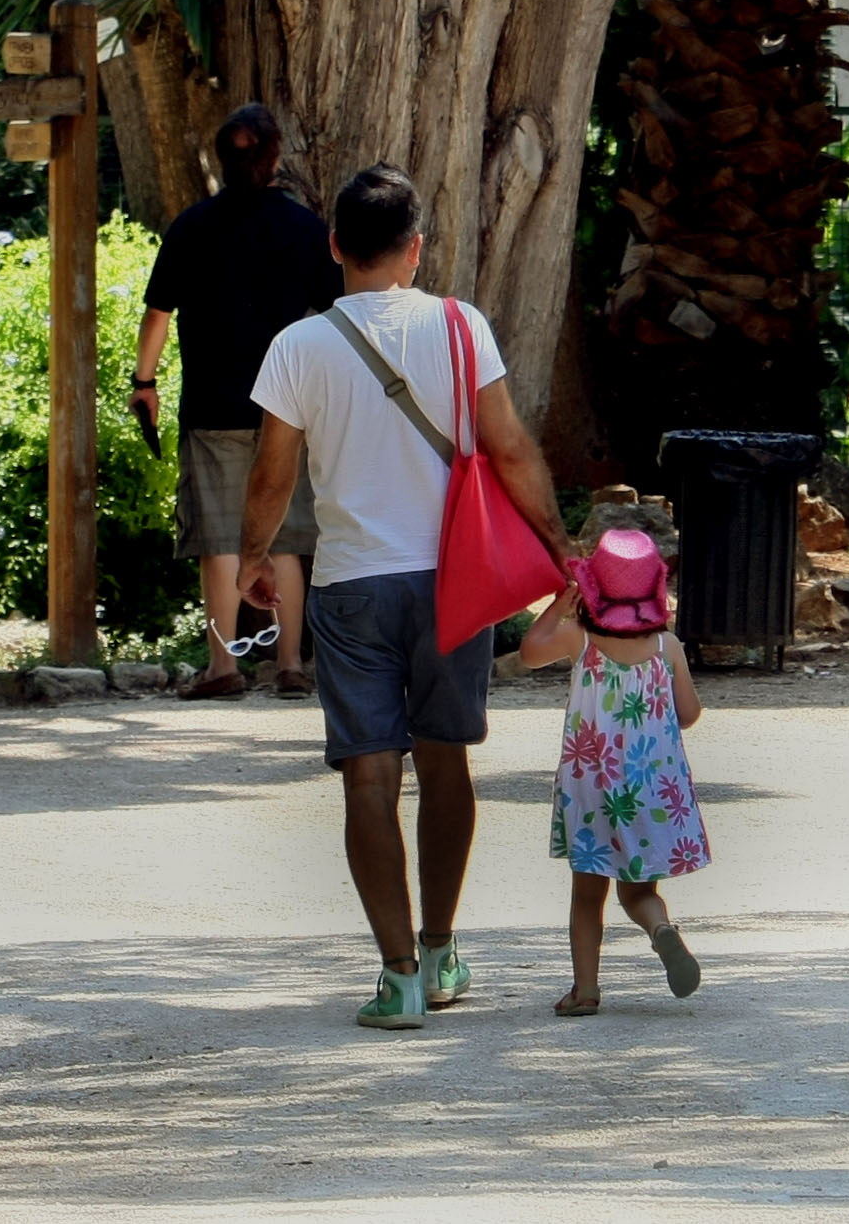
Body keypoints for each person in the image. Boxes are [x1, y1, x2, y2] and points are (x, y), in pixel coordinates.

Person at [239, 162, 575, 1031]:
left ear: (336, 247)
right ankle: (440, 947)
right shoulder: (461, 328)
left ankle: (396, 979)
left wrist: (255, 559)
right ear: (415, 249)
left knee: (368, 773)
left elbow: (273, 475)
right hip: (455, 578)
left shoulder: (298, 346)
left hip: (351, 585)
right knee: (445, 760)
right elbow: (507, 449)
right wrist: (558, 545)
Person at [134, 105, 336, 700]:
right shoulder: (305, 230)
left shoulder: (191, 226)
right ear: (274, 159)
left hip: (213, 405)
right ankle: (292, 664)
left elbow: (157, 317)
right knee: (290, 538)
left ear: (221, 159)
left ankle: (224, 666)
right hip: (289, 407)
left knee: (220, 540)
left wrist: (144, 383)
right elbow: (334, 317)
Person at [514, 527, 709, 1017]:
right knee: (639, 890)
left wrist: (561, 602)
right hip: (651, 787)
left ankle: (586, 990)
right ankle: (661, 929)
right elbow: (688, 713)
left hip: (591, 786)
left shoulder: (581, 639)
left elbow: (529, 653)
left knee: (587, 892)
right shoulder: (667, 648)